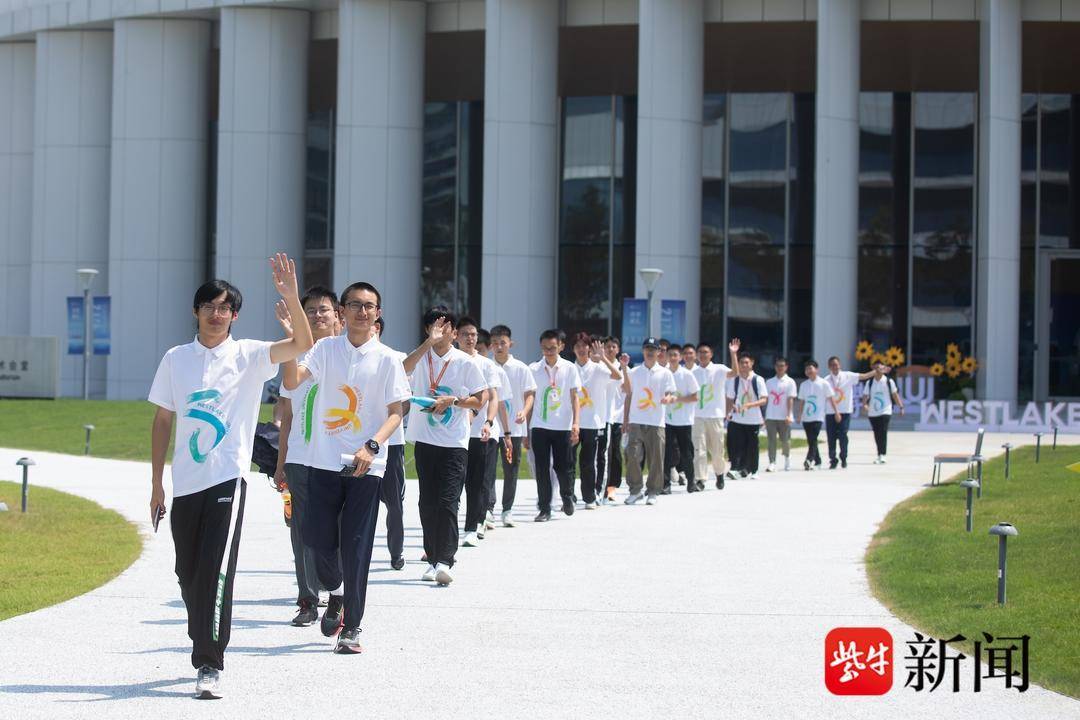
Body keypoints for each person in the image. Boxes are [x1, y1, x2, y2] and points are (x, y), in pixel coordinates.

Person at [149, 254, 313, 698]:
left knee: (216, 570)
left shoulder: (250, 355)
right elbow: (162, 420)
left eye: (225, 308)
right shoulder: (176, 359)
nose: (217, 314)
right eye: (210, 306)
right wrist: (156, 484)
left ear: (234, 316)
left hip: (227, 479)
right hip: (186, 483)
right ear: (196, 311)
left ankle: (209, 661)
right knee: (187, 572)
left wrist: (291, 296)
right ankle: (202, 630)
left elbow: (301, 342)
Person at [281, 281, 410, 654]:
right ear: (343, 311)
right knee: (317, 542)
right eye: (355, 305)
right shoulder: (324, 350)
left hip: (365, 467)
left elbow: (396, 411)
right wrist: (290, 342)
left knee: (356, 546)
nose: (362, 312)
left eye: (369, 306)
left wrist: (373, 445)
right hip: (322, 462)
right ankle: (336, 592)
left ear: (377, 313)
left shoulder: (387, 359)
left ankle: (351, 627)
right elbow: (291, 381)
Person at [401, 308, 487, 585]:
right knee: (427, 503)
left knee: (448, 501)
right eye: (433, 326)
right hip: (424, 440)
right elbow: (402, 369)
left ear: (454, 332)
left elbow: (480, 398)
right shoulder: (420, 357)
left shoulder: (464, 362)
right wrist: (427, 344)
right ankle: (432, 557)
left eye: (444, 326)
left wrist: (454, 401)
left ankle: (445, 561)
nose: (439, 331)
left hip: (454, 442)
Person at [273, 285, 340, 627]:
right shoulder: (295, 357)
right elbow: (286, 417)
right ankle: (308, 601)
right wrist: (281, 464)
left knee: (337, 529)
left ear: (337, 316)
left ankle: (337, 592)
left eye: (323, 309)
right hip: (301, 458)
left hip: (339, 457)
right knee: (301, 531)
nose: (316, 315)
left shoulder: (348, 355)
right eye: (310, 310)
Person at [457, 318, 510, 547]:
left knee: (477, 482)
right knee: (455, 483)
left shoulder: (486, 365)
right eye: (465, 334)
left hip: (480, 433)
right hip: (453, 434)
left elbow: (493, 397)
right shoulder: (451, 361)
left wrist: (488, 421)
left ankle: (473, 526)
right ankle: (448, 530)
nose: (470, 338)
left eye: (473, 334)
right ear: (456, 336)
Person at [528, 329, 582, 521]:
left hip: (562, 426)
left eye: (552, 348)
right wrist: (527, 428)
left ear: (561, 346)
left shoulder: (569, 368)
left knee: (563, 467)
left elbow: (575, 397)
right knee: (542, 469)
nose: (548, 352)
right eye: (545, 348)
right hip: (539, 425)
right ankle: (545, 508)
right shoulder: (533, 369)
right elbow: (530, 397)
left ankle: (567, 496)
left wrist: (576, 423)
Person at [490, 324, 536, 526]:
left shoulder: (521, 368)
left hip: (514, 429)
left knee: (511, 470)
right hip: (491, 428)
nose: (499, 347)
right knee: (488, 470)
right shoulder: (487, 366)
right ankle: (488, 510)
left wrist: (524, 411)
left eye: (503, 342)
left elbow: (530, 394)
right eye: (495, 343)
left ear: (511, 344)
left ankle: (507, 510)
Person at [621, 337, 677, 505]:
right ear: (643, 351)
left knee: (656, 459)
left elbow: (672, 394)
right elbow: (628, 394)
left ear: (659, 352)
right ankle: (635, 490)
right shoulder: (634, 372)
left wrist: (668, 399)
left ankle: (653, 491)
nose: (650, 352)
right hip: (636, 420)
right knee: (632, 456)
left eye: (653, 349)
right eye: (647, 349)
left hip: (656, 422)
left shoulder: (665, 373)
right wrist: (625, 420)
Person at [373, 316, 408, 569]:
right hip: (355, 442)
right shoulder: (345, 357)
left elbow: (404, 403)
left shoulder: (394, 357)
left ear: (377, 328)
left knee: (394, 503)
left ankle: (396, 552)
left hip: (391, 443)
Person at [571, 333, 622, 508]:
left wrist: (603, 359)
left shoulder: (597, 368)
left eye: (584, 345)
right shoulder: (569, 369)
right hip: (572, 422)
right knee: (569, 461)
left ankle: (590, 497)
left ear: (589, 348)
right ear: (573, 349)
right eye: (577, 346)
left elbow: (617, 376)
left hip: (593, 422)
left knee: (588, 462)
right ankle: (569, 496)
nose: (581, 349)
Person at [475, 329, 514, 530]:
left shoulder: (494, 370)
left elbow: (501, 405)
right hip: (465, 432)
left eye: (480, 349)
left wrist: (507, 434)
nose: (476, 352)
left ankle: (487, 510)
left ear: (487, 348)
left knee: (486, 475)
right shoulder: (461, 365)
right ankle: (477, 513)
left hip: (489, 431)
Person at [824, 356, 884, 469]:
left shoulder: (848, 376)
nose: (834, 367)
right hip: (831, 412)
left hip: (845, 411)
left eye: (836, 364)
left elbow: (864, 376)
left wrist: (876, 371)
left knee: (843, 435)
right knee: (831, 437)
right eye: (832, 365)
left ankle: (843, 457)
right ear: (829, 367)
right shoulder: (826, 380)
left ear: (840, 365)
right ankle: (833, 460)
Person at [691, 341, 733, 490]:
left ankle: (719, 473)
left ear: (711, 354)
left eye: (705, 352)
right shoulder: (693, 373)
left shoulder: (719, 369)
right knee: (699, 449)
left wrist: (733, 353)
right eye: (700, 352)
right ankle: (700, 479)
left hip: (715, 415)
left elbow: (735, 373)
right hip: (697, 416)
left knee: (717, 449)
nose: (703, 355)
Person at [724, 340, 768, 480]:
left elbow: (764, 400)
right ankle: (735, 468)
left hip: (753, 419)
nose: (744, 365)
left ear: (752, 363)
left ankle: (753, 470)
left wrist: (749, 405)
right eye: (741, 362)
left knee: (752, 446)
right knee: (735, 445)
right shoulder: (735, 380)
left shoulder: (758, 379)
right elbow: (730, 398)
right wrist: (727, 413)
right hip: (737, 418)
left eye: (746, 362)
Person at [663, 344, 700, 494]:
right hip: (666, 420)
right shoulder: (663, 373)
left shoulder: (687, 375)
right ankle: (665, 484)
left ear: (680, 357)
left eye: (675, 355)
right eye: (670, 355)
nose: (672, 358)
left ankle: (691, 482)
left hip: (684, 420)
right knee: (667, 452)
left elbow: (695, 397)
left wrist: (676, 399)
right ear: (666, 357)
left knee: (686, 452)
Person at [795, 360, 834, 471]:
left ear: (816, 369)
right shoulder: (804, 385)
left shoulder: (823, 383)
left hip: (818, 417)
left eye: (811, 368)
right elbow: (802, 401)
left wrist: (836, 412)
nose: (809, 371)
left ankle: (809, 460)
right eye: (807, 369)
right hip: (806, 417)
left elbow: (831, 398)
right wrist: (799, 415)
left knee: (813, 438)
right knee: (811, 440)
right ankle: (818, 461)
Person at [862, 360, 904, 464]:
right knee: (877, 433)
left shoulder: (889, 381)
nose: (878, 370)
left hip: (886, 410)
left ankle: (883, 454)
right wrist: (865, 404)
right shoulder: (870, 382)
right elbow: (865, 396)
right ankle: (879, 454)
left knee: (883, 431)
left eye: (880, 368)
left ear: (884, 369)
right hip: (873, 412)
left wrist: (901, 407)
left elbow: (895, 395)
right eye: (876, 368)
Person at [602, 336, 626, 503]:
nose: (610, 349)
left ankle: (612, 487)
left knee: (615, 453)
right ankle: (602, 486)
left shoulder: (623, 368)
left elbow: (628, 393)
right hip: (602, 416)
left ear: (618, 349)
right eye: (608, 346)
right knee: (603, 453)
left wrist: (626, 419)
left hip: (617, 416)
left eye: (613, 347)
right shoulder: (600, 367)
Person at [764, 357, 798, 472]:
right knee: (771, 441)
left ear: (786, 367)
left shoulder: (790, 382)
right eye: (778, 366)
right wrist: (764, 415)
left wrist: (789, 415)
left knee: (785, 440)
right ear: (775, 367)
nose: (780, 368)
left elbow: (790, 399)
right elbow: (765, 399)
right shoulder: (769, 382)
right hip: (771, 415)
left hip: (784, 416)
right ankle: (772, 462)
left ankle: (787, 458)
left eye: (782, 366)